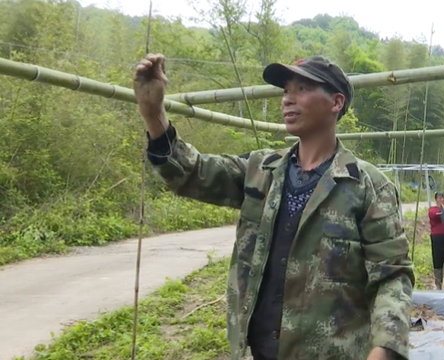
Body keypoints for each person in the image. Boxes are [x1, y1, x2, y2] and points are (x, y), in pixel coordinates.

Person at [133, 53, 415, 360]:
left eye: (302, 89)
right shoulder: (259, 170)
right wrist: (153, 112)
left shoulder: (368, 186)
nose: (288, 100)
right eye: (285, 91)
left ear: (336, 103)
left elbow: (392, 276)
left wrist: (385, 350)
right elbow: (190, 172)